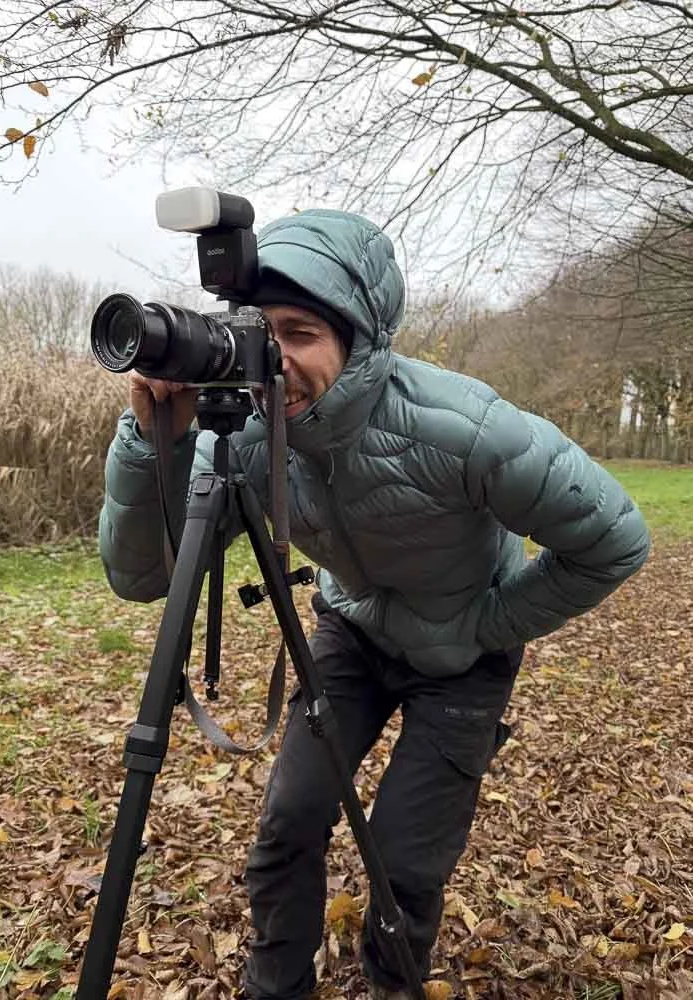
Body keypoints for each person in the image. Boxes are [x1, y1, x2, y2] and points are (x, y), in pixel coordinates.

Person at [98, 208, 650, 1000]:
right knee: (288, 826)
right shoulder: (246, 434)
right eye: (258, 331)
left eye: (300, 333)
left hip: (462, 660)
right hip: (351, 634)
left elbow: (615, 539)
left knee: (404, 859)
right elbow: (142, 574)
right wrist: (151, 437)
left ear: (359, 339)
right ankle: (275, 986)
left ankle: (392, 984)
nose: (273, 359)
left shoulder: (464, 426)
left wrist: (488, 626)